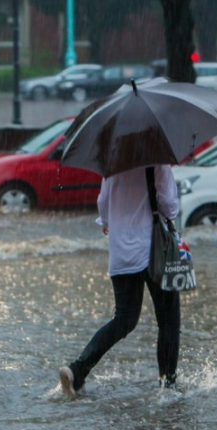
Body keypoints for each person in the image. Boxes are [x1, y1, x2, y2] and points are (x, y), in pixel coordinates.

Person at [59, 164, 181, 398]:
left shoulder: (113, 161)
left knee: (124, 319)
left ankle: (78, 369)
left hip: (122, 253)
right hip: (154, 250)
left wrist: (110, 221)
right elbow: (169, 206)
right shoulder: (156, 160)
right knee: (168, 320)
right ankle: (168, 386)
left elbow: (103, 205)